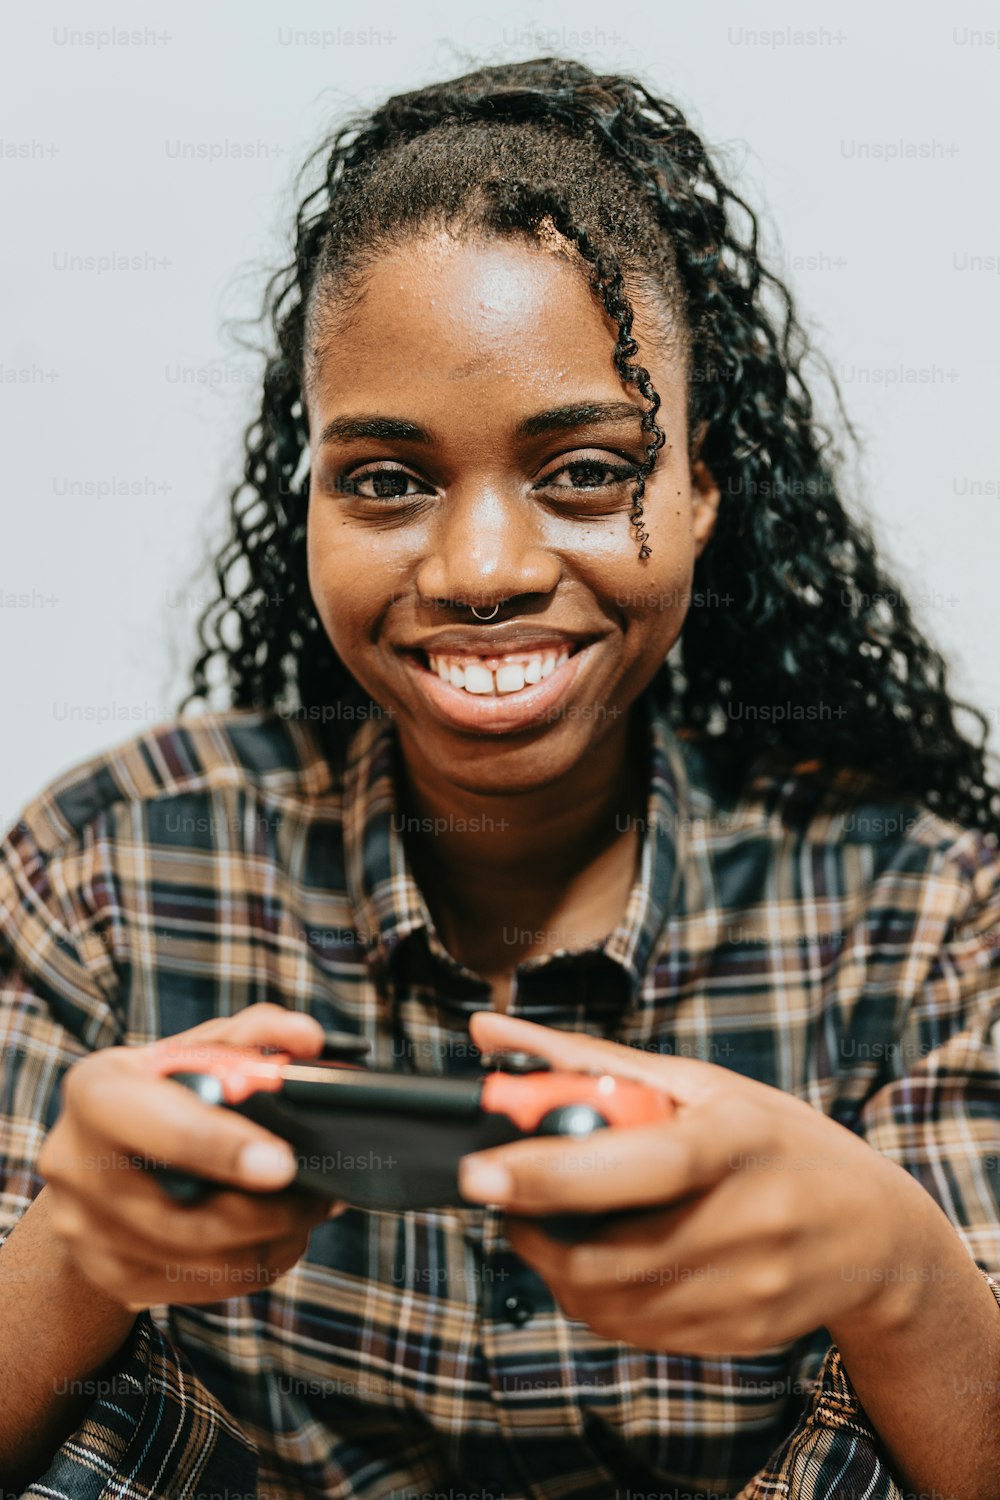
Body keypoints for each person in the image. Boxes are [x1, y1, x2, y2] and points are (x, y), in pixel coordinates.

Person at [1, 55, 998, 1500]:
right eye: (389, 481)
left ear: (701, 490)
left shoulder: (920, 917)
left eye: (586, 470)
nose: (482, 571)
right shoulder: (107, 869)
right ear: (311, 502)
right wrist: (70, 1261)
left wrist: (900, 1271)